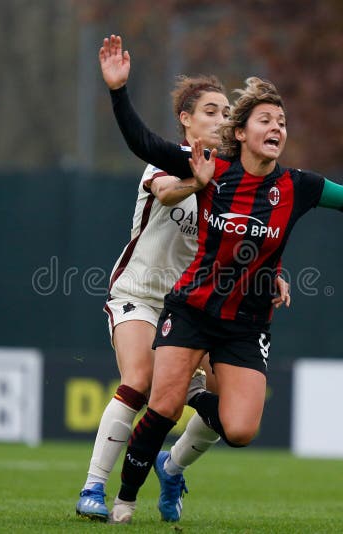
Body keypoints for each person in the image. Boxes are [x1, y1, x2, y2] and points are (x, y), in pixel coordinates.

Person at [99, 34, 343, 524]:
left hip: (246, 322)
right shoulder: (211, 168)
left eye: (282, 121)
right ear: (241, 133)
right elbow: (143, 144)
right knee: (163, 404)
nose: (277, 127)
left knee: (241, 430)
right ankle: (124, 502)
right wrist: (118, 91)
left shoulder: (297, 187)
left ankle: (170, 467)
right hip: (192, 308)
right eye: (266, 120)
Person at [75, 72, 292, 523]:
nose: (220, 119)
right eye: (210, 111)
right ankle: (94, 486)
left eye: (226, 113)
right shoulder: (171, 164)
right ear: (186, 121)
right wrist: (196, 180)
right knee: (139, 380)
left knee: (223, 402)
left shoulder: (232, 178)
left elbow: (246, 241)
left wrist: (274, 275)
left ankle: (171, 468)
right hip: (138, 295)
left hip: (193, 309)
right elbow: (168, 192)